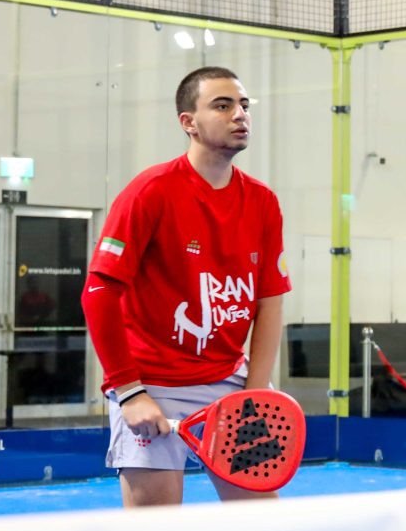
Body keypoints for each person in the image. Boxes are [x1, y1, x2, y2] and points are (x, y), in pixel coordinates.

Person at [81, 66, 291, 507]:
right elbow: (98, 293)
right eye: (222, 105)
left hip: (229, 381)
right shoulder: (149, 191)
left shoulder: (264, 202)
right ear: (188, 122)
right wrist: (130, 392)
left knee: (264, 522)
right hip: (151, 384)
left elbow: (269, 303)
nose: (240, 114)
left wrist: (255, 390)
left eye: (244, 105)